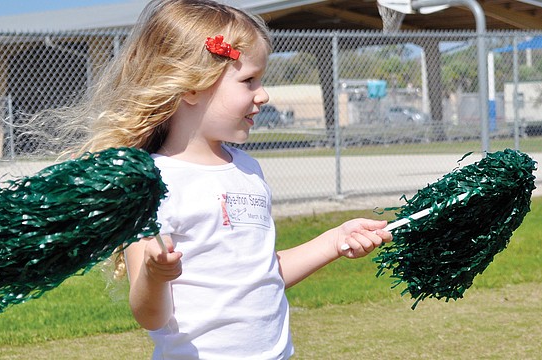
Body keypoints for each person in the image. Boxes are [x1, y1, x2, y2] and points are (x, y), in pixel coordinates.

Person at [63, 0, 392, 358]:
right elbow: (150, 315)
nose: (263, 95)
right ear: (190, 87)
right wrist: (156, 276)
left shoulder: (249, 170)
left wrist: (334, 240)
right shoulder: (151, 183)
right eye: (248, 80)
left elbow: (262, 274)